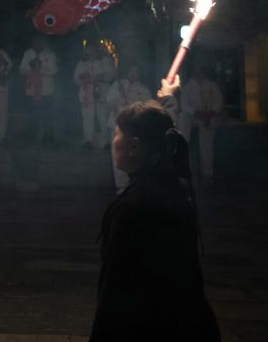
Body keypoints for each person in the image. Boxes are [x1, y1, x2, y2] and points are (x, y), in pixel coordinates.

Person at [90, 76, 221, 341]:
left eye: (117, 133)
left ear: (134, 147)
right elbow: (165, 133)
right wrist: (169, 97)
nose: (113, 140)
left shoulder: (133, 208)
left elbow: (115, 291)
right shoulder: (173, 187)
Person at [104, 65, 153, 192]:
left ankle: (133, 185)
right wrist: (118, 100)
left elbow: (147, 108)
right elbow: (108, 101)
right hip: (117, 125)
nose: (133, 74)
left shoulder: (143, 90)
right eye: (131, 71)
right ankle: (121, 186)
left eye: (136, 71)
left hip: (133, 127)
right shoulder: (118, 85)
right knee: (118, 154)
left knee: (133, 155)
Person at [181, 66, 225, 183]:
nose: (198, 72)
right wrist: (196, 112)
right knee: (190, 147)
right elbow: (184, 105)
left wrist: (210, 113)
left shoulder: (211, 85)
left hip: (209, 119)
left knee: (207, 147)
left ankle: (207, 174)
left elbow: (219, 101)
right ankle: (190, 173)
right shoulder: (188, 87)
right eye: (196, 70)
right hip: (192, 120)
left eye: (200, 70)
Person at [19, 35, 59, 145]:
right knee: (33, 115)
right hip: (32, 90)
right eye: (35, 41)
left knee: (47, 115)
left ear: (43, 42)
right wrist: (31, 67)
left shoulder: (50, 54)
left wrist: (40, 68)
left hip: (46, 91)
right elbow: (22, 69)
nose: (37, 44)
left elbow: (54, 71)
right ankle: (32, 138)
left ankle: (48, 139)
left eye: (40, 41)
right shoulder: (28, 53)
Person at [75, 44, 116, 148]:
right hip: (87, 94)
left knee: (103, 117)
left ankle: (106, 142)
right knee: (87, 117)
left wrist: (102, 77)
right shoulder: (82, 63)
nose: (90, 52)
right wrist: (83, 78)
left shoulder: (104, 61)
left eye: (92, 49)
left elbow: (112, 75)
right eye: (88, 50)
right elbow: (75, 78)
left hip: (101, 93)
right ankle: (88, 140)